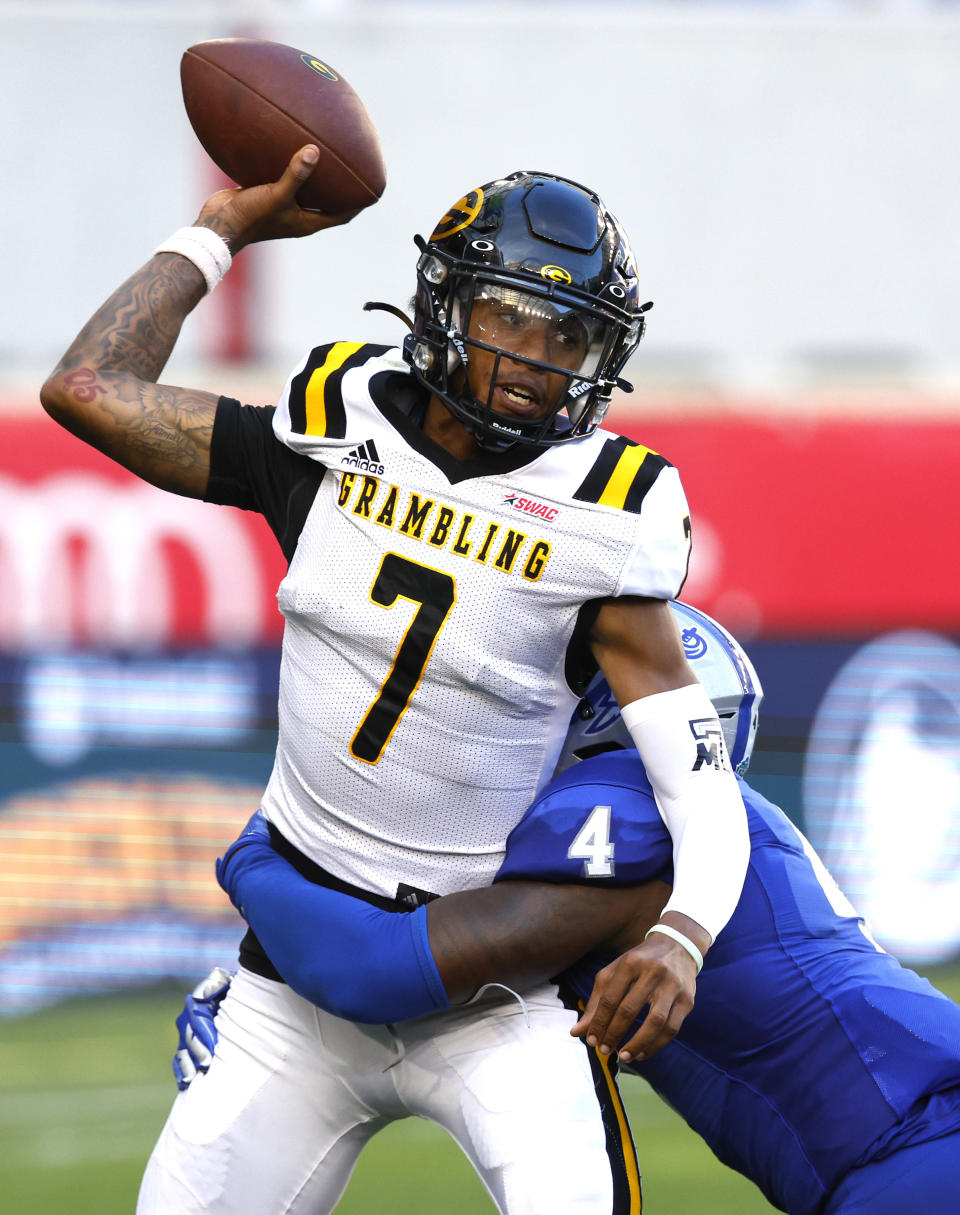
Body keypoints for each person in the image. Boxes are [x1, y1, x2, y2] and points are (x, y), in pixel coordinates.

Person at [41, 149, 751, 1213]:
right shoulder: (337, 425)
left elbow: (703, 793)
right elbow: (87, 391)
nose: (538, 357)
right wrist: (218, 232)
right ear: (448, 304)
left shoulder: (608, 514)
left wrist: (682, 938)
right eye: (513, 316)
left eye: (571, 336)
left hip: (493, 994)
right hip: (292, 985)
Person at [178, 601, 960, 1215]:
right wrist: (260, 982)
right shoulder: (693, 835)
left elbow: (380, 969)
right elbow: (426, 907)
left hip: (917, 1151)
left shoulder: (626, 800)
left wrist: (252, 856)